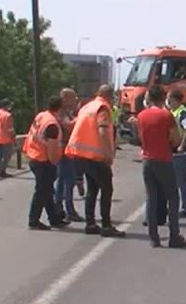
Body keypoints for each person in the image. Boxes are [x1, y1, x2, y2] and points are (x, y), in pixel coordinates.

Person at [65, 84, 125, 238]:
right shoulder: (102, 108)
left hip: (81, 155)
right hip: (96, 156)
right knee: (106, 190)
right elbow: (103, 130)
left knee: (92, 189)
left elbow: (73, 125)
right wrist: (108, 153)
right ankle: (106, 225)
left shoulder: (87, 107)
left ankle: (90, 224)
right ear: (109, 96)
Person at [136, 87, 186, 249]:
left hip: (147, 160)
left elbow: (140, 137)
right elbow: (175, 139)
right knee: (172, 197)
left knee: (151, 197)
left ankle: (154, 238)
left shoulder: (141, 116)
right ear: (163, 99)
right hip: (163, 159)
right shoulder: (166, 115)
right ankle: (174, 236)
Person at [25, 97, 69, 230]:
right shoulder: (52, 125)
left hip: (33, 155)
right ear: (60, 109)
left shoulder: (42, 116)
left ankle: (54, 219)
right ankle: (33, 220)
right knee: (42, 191)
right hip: (43, 160)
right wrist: (55, 162)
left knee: (47, 191)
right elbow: (52, 148)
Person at [55, 88, 82, 221]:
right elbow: (67, 126)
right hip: (63, 151)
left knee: (66, 181)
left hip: (68, 150)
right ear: (65, 98)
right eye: (73, 98)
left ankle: (63, 208)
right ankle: (64, 209)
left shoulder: (67, 112)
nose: (75, 100)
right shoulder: (60, 112)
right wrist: (81, 117)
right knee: (66, 181)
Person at [167, 90, 186, 217]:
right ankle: (176, 207)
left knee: (181, 181)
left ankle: (185, 209)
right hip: (174, 152)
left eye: (170, 100)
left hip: (181, 153)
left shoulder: (182, 112)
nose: (168, 102)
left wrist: (182, 146)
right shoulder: (173, 112)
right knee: (174, 181)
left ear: (176, 100)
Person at [0, 98, 16, 177]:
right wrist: (14, 139)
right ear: (6, 105)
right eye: (9, 105)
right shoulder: (8, 115)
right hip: (5, 139)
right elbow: (10, 129)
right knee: (6, 156)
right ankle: (1, 171)